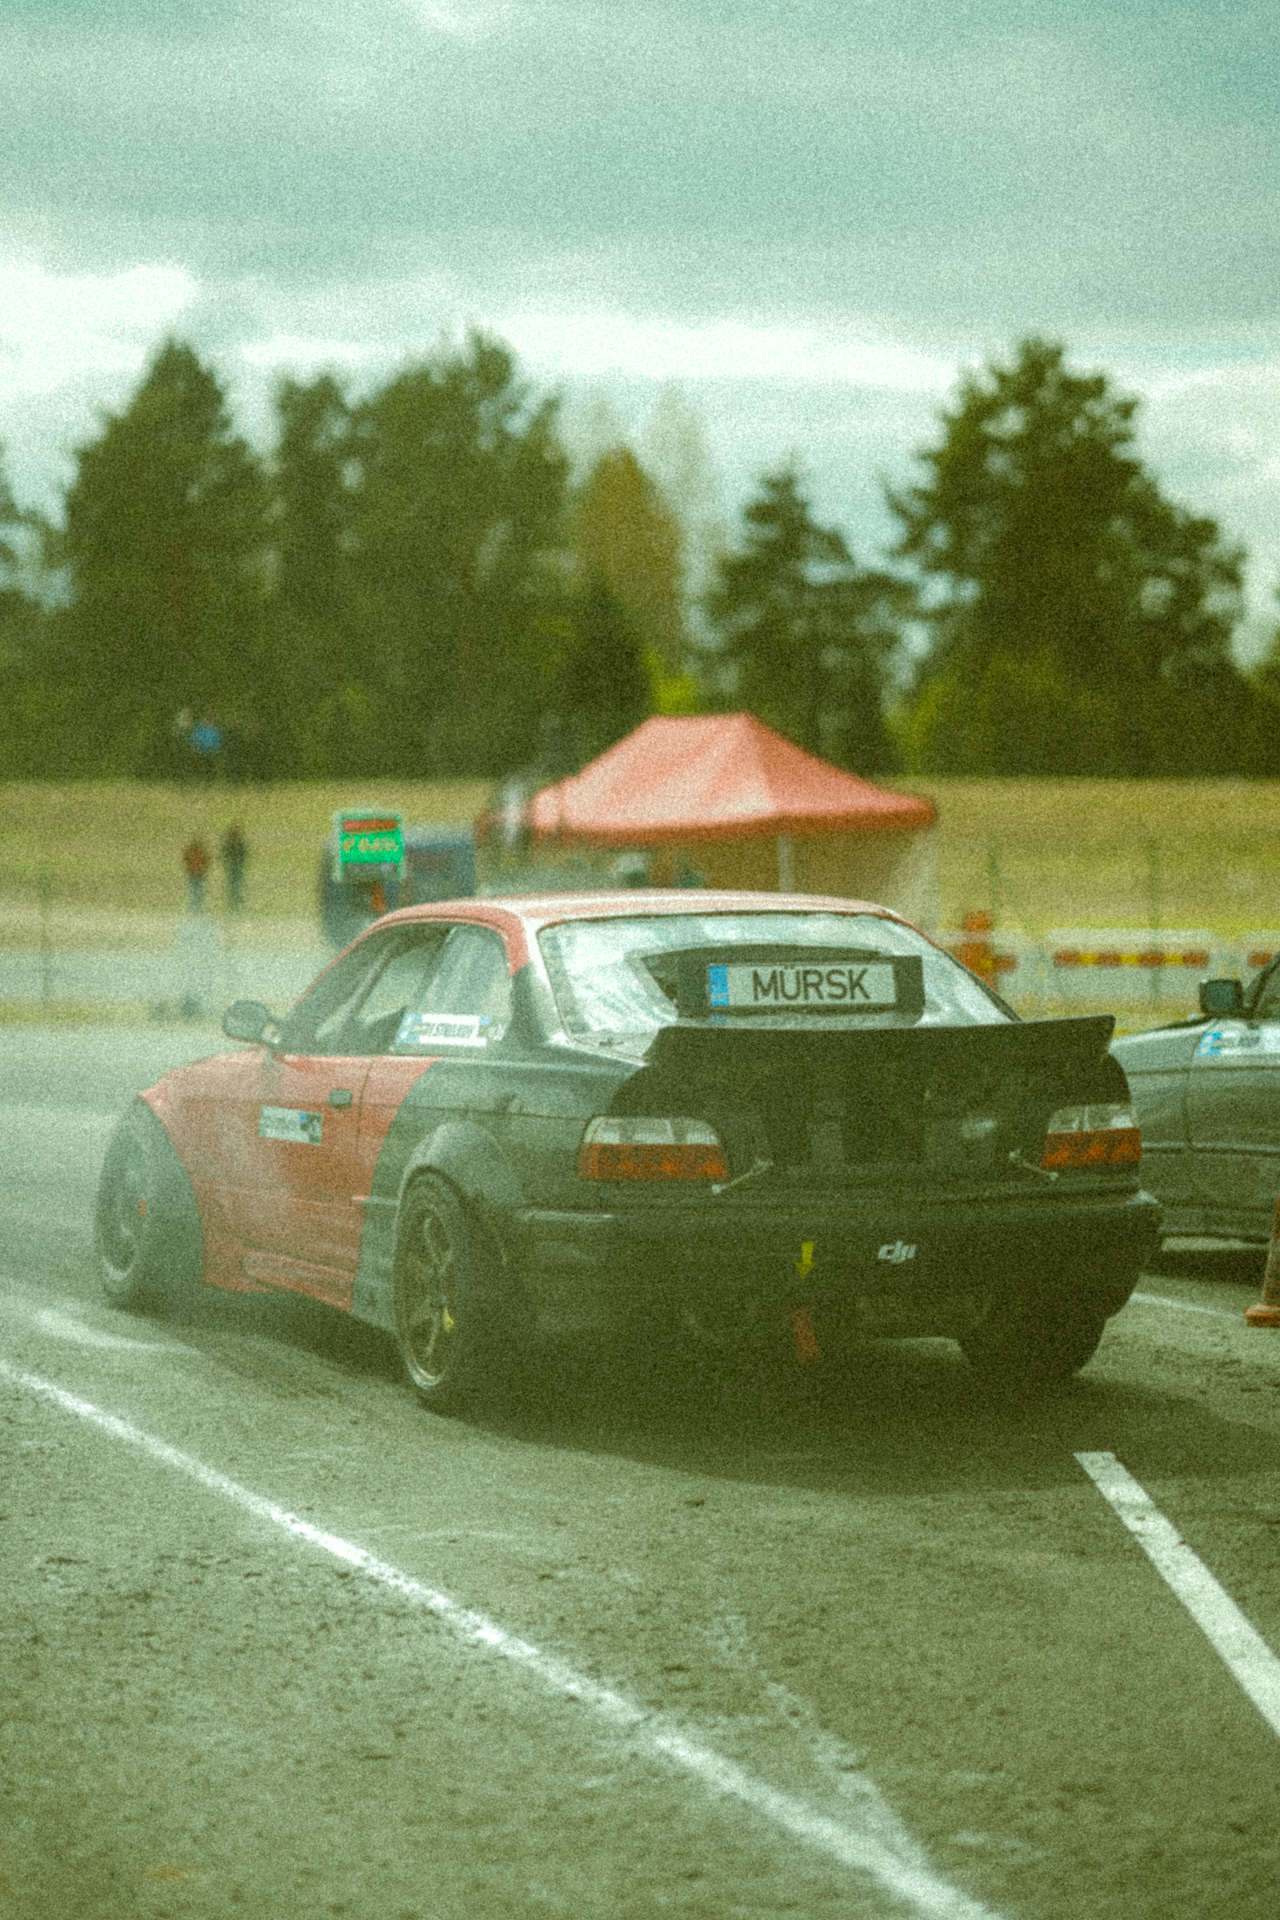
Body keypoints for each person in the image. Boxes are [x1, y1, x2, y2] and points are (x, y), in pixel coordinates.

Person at [220, 825, 248, 914]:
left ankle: (237, 906)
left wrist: (241, 861)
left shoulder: (239, 845)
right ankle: (232, 906)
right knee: (232, 886)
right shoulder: (229, 845)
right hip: (232, 867)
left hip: (238, 867)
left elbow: (244, 854)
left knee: (238, 886)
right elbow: (225, 855)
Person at [182, 836, 210, 913]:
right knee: (192, 892)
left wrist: (203, 869)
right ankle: (192, 908)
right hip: (192, 874)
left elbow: (206, 861)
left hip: (199, 875)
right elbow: (186, 861)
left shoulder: (200, 853)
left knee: (199, 892)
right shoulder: (191, 853)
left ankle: (199, 908)